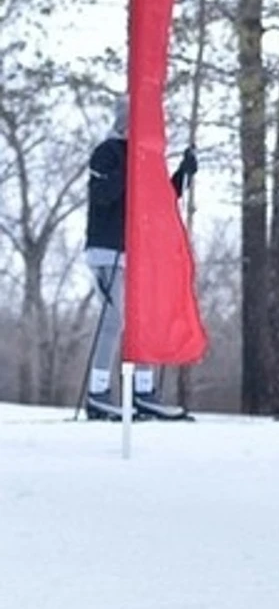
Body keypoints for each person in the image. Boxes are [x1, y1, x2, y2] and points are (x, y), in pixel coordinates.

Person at [84, 98, 195, 421]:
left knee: (142, 322)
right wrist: (131, 165)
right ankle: (98, 390)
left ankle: (144, 392)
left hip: (138, 253)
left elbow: (162, 200)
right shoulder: (107, 152)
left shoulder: (146, 157)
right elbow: (103, 196)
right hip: (108, 249)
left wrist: (183, 173)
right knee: (113, 320)